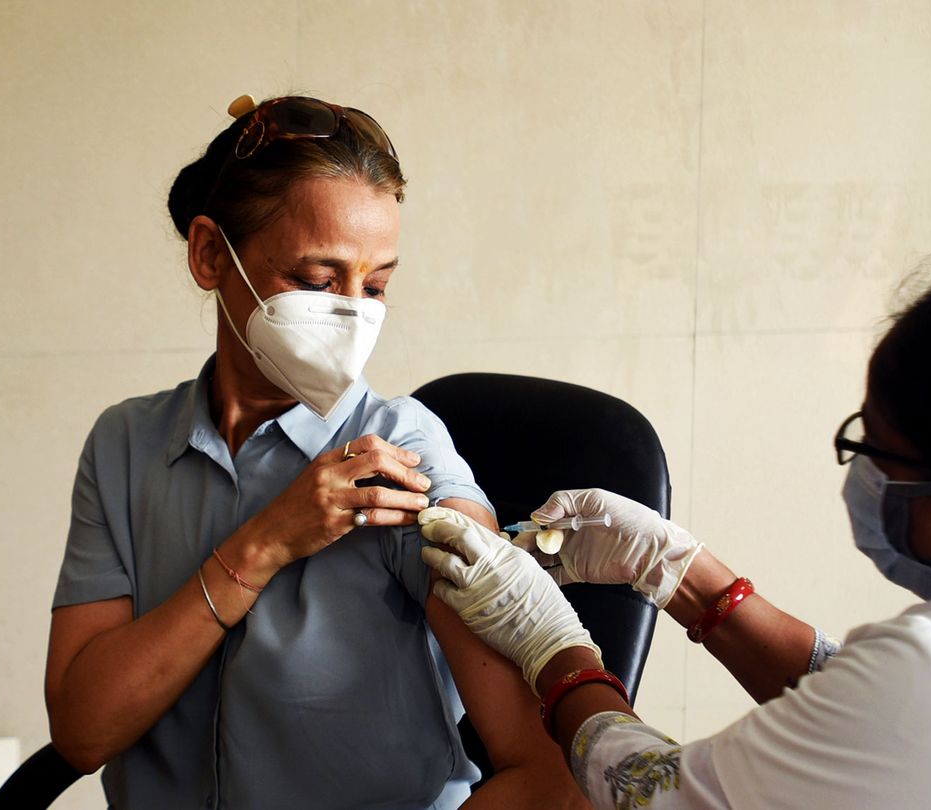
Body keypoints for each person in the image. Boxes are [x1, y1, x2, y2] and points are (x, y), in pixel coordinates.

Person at [417, 270, 931, 808]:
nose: (862, 471)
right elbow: (869, 717)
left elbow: (654, 798)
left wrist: (553, 647)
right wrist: (683, 574)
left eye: (873, 450)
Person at [45, 94, 586, 809]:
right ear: (211, 254)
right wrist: (264, 544)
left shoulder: (399, 452)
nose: (354, 311)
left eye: (378, 284)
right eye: (317, 281)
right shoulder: (126, 446)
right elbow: (84, 733)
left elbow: (548, 778)